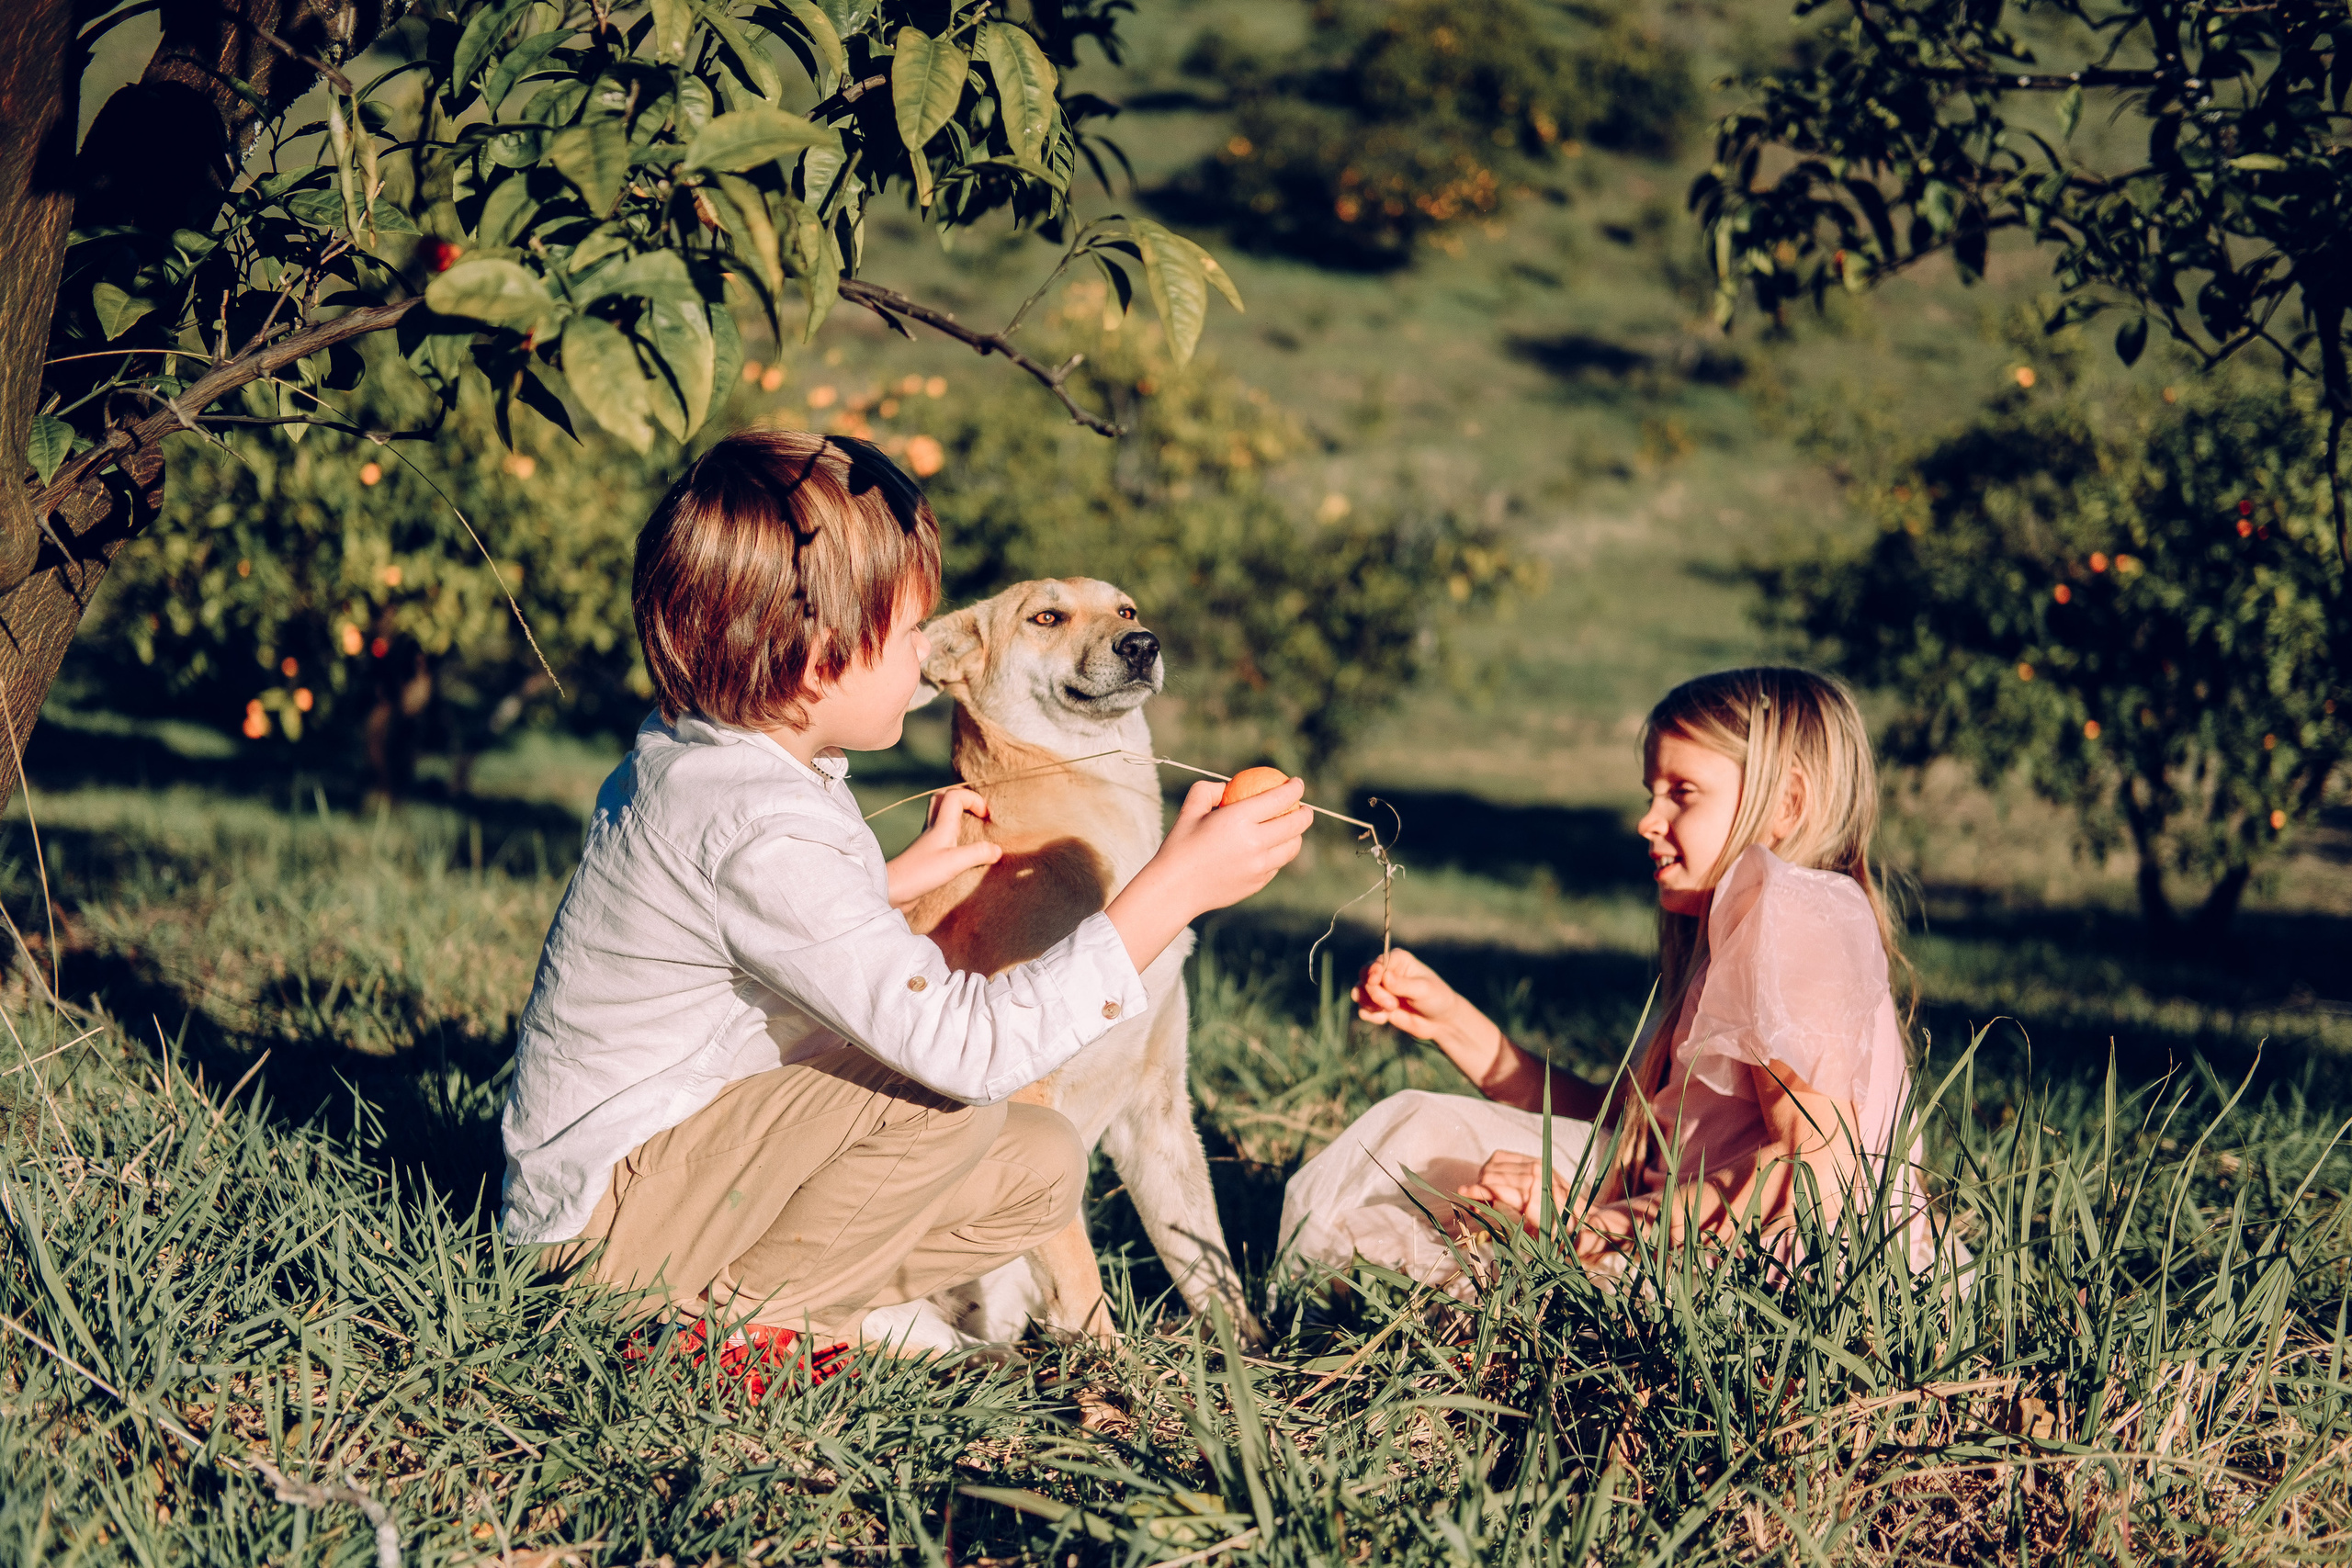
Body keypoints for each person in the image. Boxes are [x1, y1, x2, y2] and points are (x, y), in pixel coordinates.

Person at [500, 430, 1312, 1385]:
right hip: (610, 1225)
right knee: (955, 1095)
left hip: (683, 1179)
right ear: (815, 664)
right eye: (908, 635)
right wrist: (1173, 889)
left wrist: (887, 885)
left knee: (1043, 1162)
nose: (927, 658)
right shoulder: (758, 820)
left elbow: (731, 925)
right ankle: (742, 1327)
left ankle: (831, 1310)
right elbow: (963, 1053)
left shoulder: (723, 764)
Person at [1279, 667, 1940, 1297]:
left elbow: (1817, 1169)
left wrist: (1587, 1227)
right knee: (1450, 1172)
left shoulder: (1795, 916)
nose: (1647, 820)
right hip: (1683, 1229)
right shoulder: (1744, 935)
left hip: (1770, 1274)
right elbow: (1619, 1127)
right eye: (1652, 792)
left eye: (1682, 792)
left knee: (1422, 1171)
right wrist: (1451, 1021)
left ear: (1787, 803)